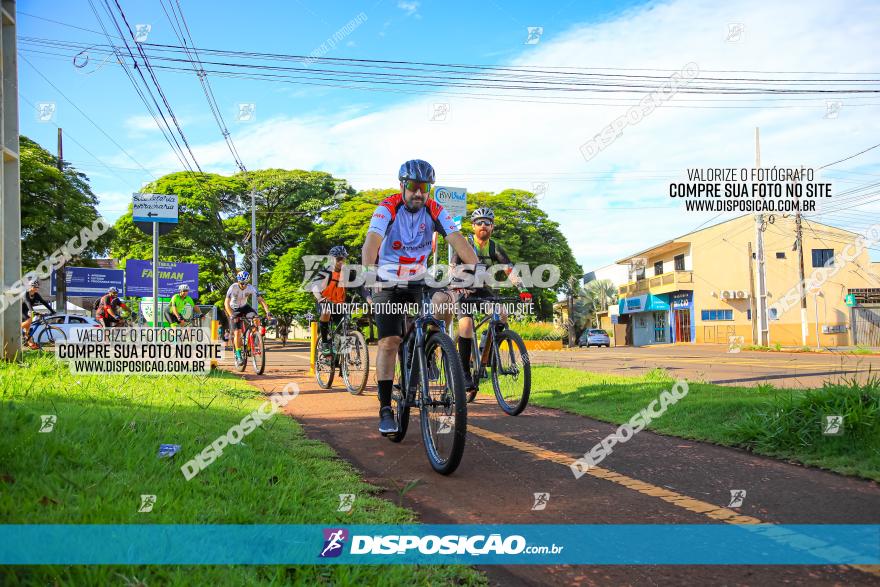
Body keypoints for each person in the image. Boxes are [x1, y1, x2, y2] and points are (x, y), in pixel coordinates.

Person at [361, 159, 480, 435]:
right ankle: (385, 409)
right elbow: (371, 244)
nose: (418, 193)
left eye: (424, 187)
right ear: (402, 185)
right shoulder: (387, 208)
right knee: (390, 341)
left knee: (447, 299)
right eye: (413, 186)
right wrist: (369, 276)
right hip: (388, 280)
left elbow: (458, 239)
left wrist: (476, 270)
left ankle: (430, 344)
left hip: (419, 278)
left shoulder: (434, 209)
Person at [440, 207, 532, 390]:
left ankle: (486, 355)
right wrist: (457, 284)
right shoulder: (465, 243)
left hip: (482, 289)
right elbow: (453, 267)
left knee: (502, 315)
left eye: (487, 223)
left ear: (492, 227)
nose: (483, 225)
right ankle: (465, 373)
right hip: (462, 289)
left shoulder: (494, 247)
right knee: (466, 326)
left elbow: (509, 269)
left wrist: (523, 289)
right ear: (473, 226)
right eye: (479, 222)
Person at [224, 271, 272, 366]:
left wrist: (267, 312)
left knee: (256, 318)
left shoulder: (250, 288)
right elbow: (226, 303)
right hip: (234, 309)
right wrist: (231, 315)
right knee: (237, 332)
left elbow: (261, 300)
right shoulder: (233, 287)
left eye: (245, 283)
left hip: (245, 307)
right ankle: (238, 355)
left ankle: (255, 338)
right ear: (238, 281)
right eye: (241, 283)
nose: (243, 285)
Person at [308, 245, 348, 357]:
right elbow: (314, 287)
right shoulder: (325, 271)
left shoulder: (347, 273)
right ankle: (325, 342)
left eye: (343, 258)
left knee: (346, 324)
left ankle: (343, 359)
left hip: (339, 304)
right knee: (326, 310)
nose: (341, 261)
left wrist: (369, 300)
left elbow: (360, 287)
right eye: (338, 259)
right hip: (324, 301)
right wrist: (320, 298)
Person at [21, 280, 55, 349]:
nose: (37, 288)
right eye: (35, 286)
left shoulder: (36, 295)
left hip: (26, 311)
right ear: (31, 286)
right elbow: (28, 303)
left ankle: (30, 343)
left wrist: (52, 311)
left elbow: (44, 302)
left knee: (28, 327)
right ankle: (17, 329)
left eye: (37, 287)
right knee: (29, 320)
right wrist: (32, 311)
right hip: (19, 310)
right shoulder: (26, 294)